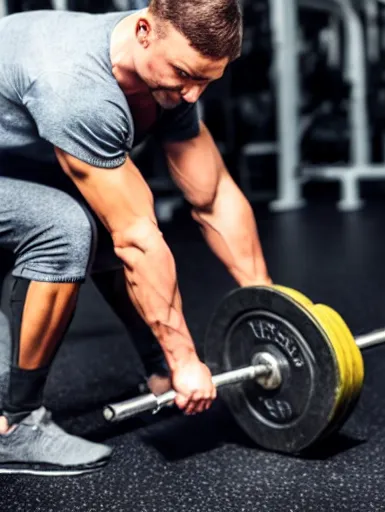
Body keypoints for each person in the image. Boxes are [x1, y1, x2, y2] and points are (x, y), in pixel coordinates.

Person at [0, 0, 272, 476]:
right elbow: (136, 238)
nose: (192, 95)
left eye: (207, 81)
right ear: (144, 30)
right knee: (64, 226)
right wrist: (187, 359)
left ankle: (157, 373)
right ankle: (15, 426)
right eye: (186, 75)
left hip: (15, 162)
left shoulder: (162, 71)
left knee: (103, 214)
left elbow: (213, 197)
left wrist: (272, 303)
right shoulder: (77, 87)